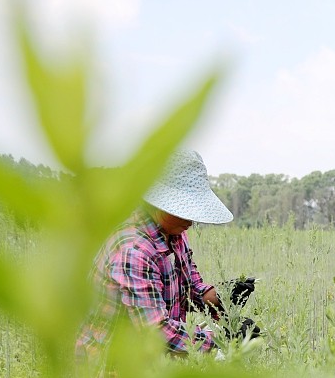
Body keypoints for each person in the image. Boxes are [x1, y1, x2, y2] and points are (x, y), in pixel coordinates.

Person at [77, 149, 257, 358]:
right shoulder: (134, 250)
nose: (191, 220)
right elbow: (157, 332)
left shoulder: (175, 234)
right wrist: (224, 340)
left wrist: (224, 296)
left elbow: (190, 289)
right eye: (184, 210)